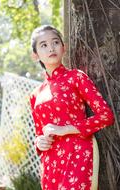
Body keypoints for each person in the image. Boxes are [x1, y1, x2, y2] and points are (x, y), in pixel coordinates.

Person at [30, 25, 114, 190]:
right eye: (44, 45)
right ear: (35, 55)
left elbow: (106, 116)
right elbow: (39, 133)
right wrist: (39, 143)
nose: (51, 48)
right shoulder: (35, 94)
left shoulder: (76, 77)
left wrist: (66, 129)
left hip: (78, 154)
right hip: (50, 163)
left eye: (55, 42)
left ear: (63, 47)